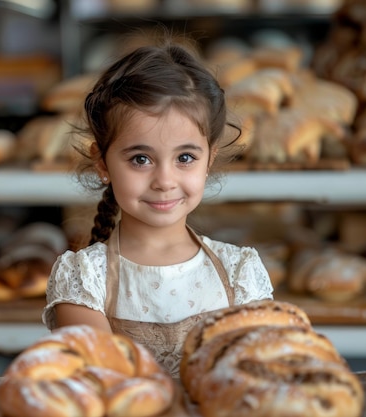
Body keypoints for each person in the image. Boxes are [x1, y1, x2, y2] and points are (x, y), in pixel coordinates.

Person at [42, 38, 273, 377]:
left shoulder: (241, 274)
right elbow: (101, 383)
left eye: (185, 158)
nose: (164, 180)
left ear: (209, 159)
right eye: (140, 159)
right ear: (102, 164)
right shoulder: (84, 281)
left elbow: (259, 377)